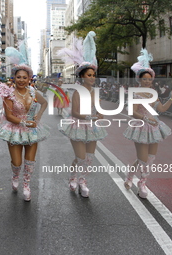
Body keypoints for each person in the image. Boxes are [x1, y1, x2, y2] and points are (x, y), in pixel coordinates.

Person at [0, 46, 50, 201]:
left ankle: (26, 185)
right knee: (17, 162)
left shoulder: (33, 92)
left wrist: (37, 118)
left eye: (24, 77)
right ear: (14, 78)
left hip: (32, 131)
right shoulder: (9, 94)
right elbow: (8, 116)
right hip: (15, 130)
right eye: (18, 77)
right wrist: (25, 122)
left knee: (30, 161)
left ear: (29, 78)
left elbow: (44, 103)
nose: (21, 80)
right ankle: (15, 175)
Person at [123, 49, 172, 199]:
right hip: (140, 127)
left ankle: (142, 183)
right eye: (144, 79)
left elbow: (161, 109)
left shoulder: (154, 93)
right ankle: (130, 178)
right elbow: (133, 112)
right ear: (139, 80)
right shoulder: (135, 93)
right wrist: (147, 119)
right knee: (142, 159)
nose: (147, 81)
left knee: (150, 159)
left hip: (154, 128)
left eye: (149, 79)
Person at [58, 31, 107, 198]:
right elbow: (75, 112)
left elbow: (99, 109)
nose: (92, 78)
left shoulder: (96, 92)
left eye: (94, 75)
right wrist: (89, 117)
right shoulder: (78, 92)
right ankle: (73, 177)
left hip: (92, 127)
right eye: (89, 75)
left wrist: (100, 115)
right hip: (78, 126)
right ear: (82, 76)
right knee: (80, 157)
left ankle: (83, 182)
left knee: (89, 158)